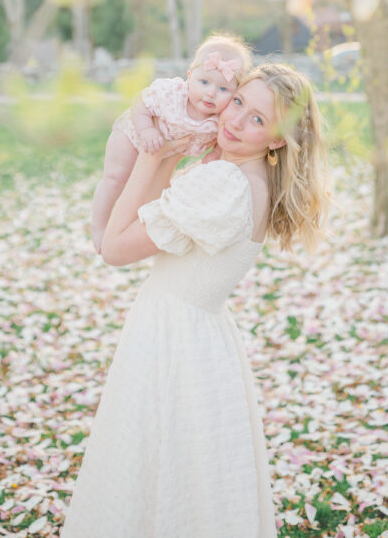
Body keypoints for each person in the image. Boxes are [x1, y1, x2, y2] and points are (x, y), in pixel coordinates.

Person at [61, 63, 330, 538]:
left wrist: (151, 154)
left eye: (257, 120)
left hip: (174, 341)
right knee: (185, 475)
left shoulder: (223, 186)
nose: (235, 119)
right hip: (200, 336)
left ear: (277, 141)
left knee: (155, 466)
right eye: (239, 101)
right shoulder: (240, 178)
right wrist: (171, 150)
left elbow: (116, 249)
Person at [90, 34, 252, 253]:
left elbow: (221, 143)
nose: (211, 93)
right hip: (131, 134)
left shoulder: (218, 120)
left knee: (147, 193)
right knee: (116, 178)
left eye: (223, 89)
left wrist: (213, 157)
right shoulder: (172, 93)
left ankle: (128, 229)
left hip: (163, 153)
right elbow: (141, 103)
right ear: (189, 76)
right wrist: (146, 130)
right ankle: (99, 227)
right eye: (204, 82)